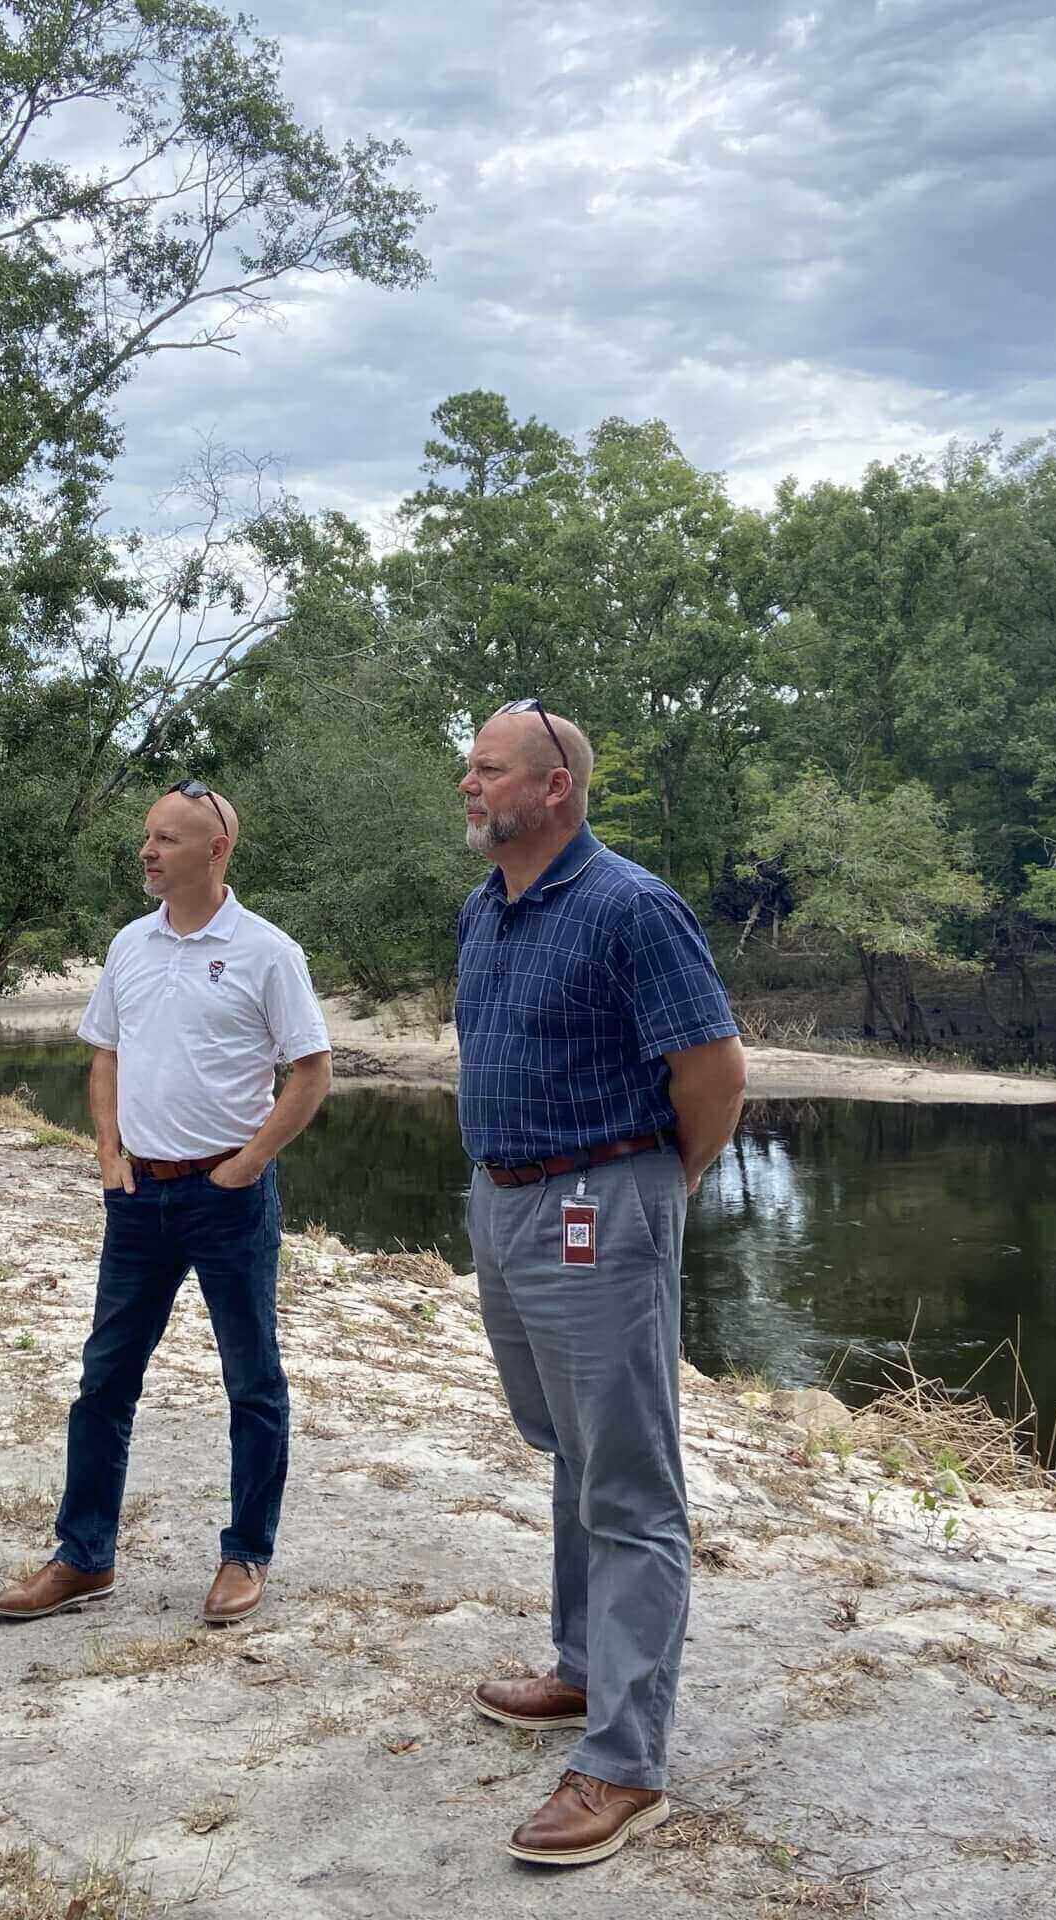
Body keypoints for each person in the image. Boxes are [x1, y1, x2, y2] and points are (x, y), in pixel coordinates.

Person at [454, 700, 747, 1867]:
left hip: (600, 1201)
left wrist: (656, 1186)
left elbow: (714, 1070)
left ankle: (626, 1763)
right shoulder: (488, 907)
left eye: (487, 771)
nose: (469, 788)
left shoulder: (632, 907)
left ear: (554, 788)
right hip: (503, 1199)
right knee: (569, 1446)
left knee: (627, 1477)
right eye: (468, 771)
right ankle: (581, 1672)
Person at [0, 782, 333, 1627]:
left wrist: (249, 1165)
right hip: (139, 1193)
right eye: (146, 837)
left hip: (227, 1195)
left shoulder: (267, 951)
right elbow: (103, 1054)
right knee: (105, 1378)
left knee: (251, 1379)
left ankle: (246, 1554)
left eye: (167, 839)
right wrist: (107, 1152)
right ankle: (83, 1557)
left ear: (216, 850)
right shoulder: (130, 946)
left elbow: (312, 1072)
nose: (148, 851)